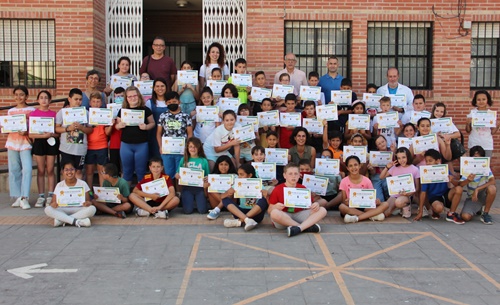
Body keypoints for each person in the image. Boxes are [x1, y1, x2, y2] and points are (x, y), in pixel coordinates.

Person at [268, 163, 327, 237]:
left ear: (299, 175)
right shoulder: (278, 189)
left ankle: (298, 228)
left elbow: (309, 205)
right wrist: (275, 207)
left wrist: (316, 205)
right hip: (284, 217)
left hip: (299, 215)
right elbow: (269, 210)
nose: (293, 176)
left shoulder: (303, 188)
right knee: (274, 213)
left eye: (296, 174)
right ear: (284, 175)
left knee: (322, 210)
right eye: (290, 174)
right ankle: (303, 227)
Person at [115, 86, 156, 185]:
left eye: (135, 95)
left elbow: (153, 123)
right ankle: (126, 195)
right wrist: (119, 125)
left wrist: (146, 127)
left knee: (141, 171)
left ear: (139, 96)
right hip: (126, 144)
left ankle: (141, 195)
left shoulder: (145, 109)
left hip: (141, 144)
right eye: (130, 96)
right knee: (127, 171)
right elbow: (117, 126)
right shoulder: (123, 111)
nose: (133, 98)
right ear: (126, 98)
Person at [4, 85, 36, 210]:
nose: (19, 97)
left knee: (27, 169)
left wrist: (27, 132)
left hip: (25, 143)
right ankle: (17, 196)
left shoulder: (31, 110)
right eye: (16, 95)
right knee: (14, 169)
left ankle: (25, 197)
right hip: (12, 142)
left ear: (26, 96)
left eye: (21, 94)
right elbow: (7, 127)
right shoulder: (10, 111)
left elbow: (34, 127)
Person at [413, 149, 464, 223]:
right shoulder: (426, 173)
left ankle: (451, 214)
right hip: (434, 197)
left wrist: (452, 180)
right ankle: (434, 210)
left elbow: (457, 185)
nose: (428, 163)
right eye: (426, 161)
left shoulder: (444, 169)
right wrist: (420, 210)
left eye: (430, 161)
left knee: (459, 189)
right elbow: (423, 192)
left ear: (437, 161)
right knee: (439, 208)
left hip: (445, 194)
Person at [55, 88, 93, 180]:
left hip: (80, 149)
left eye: (80, 99)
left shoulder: (86, 113)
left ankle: (78, 192)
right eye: (76, 99)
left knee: (79, 171)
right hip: (66, 148)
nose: (78, 102)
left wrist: (81, 128)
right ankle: (66, 192)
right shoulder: (62, 112)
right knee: (66, 170)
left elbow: (90, 130)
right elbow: (56, 128)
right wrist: (68, 128)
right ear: (69, 99)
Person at [29, 90, 59, 208]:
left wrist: (51, 135)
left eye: (46, 98)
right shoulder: (33, 114)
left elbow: (58, 133)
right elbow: (31, 134)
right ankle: (41, 196)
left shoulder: (54, 114)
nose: (43, 100)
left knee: (50, 169)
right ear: (38, 100)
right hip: (39, 143)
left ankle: (50, 195)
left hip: (51, 142)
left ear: (50, 100)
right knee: (41, 170)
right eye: (41, 97)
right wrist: (43, 136)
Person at [44, 160, 96, 227]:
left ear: (76, 171)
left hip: (78, 209)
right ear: (62, 172)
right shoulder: (59, 185)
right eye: (66, 170)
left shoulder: (82, 183)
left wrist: (88, 203)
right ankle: (76, 221)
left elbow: (89, 201)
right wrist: (53, 204)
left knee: (92, 209)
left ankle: (62, 220)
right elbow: (52, 203)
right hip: (63, 209)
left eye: (72, 169)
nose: (69, 172)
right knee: (48, 209)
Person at [339, 156, 389, 223]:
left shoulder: (366, 180)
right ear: (347, 168)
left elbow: (372, 197)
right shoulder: (344, 181)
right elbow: (343, 201)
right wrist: (346, 202)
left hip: (366, 207)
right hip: (352, 208)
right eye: (350, 166)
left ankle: (357, 218)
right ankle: (371, 216)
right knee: (342, 207)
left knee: (385, 204)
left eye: (355, 165)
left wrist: (377, 201)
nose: (353, 168)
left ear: (360, 166)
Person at [156, 91, 193, 179]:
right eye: (169, 102)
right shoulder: (163, 116)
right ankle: (171, 191)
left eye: (174, 102)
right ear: (166, 103)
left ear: (179, 102)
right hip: (167, 150)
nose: (172, 104)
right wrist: (160, 146)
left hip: (181, 150)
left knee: (180, 174)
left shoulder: (186, 116)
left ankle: (179, 192)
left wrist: (187, 148)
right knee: (168, 174)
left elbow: (190, 134)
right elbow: (158, 133)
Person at [222, 163, 269, 231]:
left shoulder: (258, 184)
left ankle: (239, 221)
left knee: (264, 200)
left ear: (249, 175)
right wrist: (228, 193)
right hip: (240, 212)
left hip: (256, 214)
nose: (239, 177)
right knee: (225, 199)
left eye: (242, 174)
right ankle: (246, 219)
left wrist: (266, 194)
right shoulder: (238, 184)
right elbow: (222, 197)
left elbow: (267, 200)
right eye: (238, 174)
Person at [455, 146, 496, 224]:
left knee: (492, 188)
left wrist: (477, 189)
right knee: (465, 216)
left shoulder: (485, 167)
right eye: (474, 157)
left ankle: (485, 213)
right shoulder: (467, 168)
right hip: (472, 197)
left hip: (483, 193)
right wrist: (468, 180)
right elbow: (460, 185)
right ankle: (478, 209)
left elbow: (492, 181)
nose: (477, 160)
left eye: (479, 157)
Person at [379, 147, 420, 218]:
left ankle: (406, 207)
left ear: (408, 156)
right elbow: (381, 177)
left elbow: (417, 188)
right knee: (385, 213)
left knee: (398, 202)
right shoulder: (395, 168)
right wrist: (387, 167)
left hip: (407, 196)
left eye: (403, 157)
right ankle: (399, 208)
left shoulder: (415, 169)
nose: (401, 160)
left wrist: (408, 193)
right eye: (399, 158)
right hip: (395, 195)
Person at [85, 92, 113, 188]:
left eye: (98, 101)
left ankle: (102, 192)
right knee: (89, 171)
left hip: (102, 145)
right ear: (90, 103)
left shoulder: (105, 114)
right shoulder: (86, 114)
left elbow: (107, 133)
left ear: (101, 103)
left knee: (102, 171)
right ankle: (89, 191)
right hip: (89, 146)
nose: (96, 103)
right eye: (94, 101)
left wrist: (111, 124)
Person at [175, 137, 210, 214]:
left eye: (195, 147)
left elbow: (207, 176)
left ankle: (200, 201)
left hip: (200, 189)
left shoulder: (203, 161)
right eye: (190, 147)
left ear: (199, 148)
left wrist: (206, 180)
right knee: (188, 211)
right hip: (187, 188)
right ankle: (188, 201)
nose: (193, 149)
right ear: (187, 148)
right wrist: (177, 175)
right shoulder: (183, 159)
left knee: (202, 211)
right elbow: (177, 173)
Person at [465, 90, 499, 157]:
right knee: (473, 164)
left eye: (484, 99)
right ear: (475, 101)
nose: (481, 101)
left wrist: (497, 125)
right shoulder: (472, 113)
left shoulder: (491, 114)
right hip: (474, 143)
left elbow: (492, 132)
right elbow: (468, 130)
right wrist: (467, 124)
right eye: (478, 99)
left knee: (486, 165)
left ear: (487, 100)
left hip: (487, 144)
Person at [207, 155, 238, 220]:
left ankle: (217, 210)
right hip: (218, 202)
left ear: (230, 166)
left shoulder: (234, 176)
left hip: (231, 202)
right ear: (217, 165)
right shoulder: (213, 176)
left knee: (232, 190)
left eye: (226, 164)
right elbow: (205, 194)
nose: (223, 167)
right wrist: (205, 186)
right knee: (210, 188)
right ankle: (219, 207)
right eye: (221, 164)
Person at [145, 78, 170, 159]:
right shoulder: (149, 102)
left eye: (162, 86)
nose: (160, 88)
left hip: (169, 135)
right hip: (154, 134)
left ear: (166, 87)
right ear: (154, 88)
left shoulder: (171, 101)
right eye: (157, 86)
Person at [109, 87, 125, 174]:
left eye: (122, 96)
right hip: (114, 143)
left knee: (125, 168)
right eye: (117, 96)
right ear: (114, 97)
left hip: (125, 142)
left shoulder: (128, 109)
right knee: (114, 169)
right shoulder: (110, 109)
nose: (119, 98)